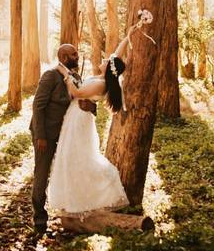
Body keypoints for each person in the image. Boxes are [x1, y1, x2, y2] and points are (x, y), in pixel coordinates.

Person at [46, 19, 147, 218]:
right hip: (75, 117)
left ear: (109, 68)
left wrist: (64, 72)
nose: (103, 59)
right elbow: (117, 55)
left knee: (77, 157)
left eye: (106, 60)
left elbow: (76, 92)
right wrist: (128, 35)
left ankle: (86, 198)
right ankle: (70, 199)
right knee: (69, 155)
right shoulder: (105, 78)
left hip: (79, 121)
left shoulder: (101, 85)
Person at [29, 44, 96, 235]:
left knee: (69, 171)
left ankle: (71, 214)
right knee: (41, 175)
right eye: (74, 54)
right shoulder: (51, 75)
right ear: (65, 58)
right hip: (45, 136)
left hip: (67, 136)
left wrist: (91, 107)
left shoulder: (76, 78)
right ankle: (40, 220)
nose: (78, 56)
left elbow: (80, 102)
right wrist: (40, 135)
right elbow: (38, 106)